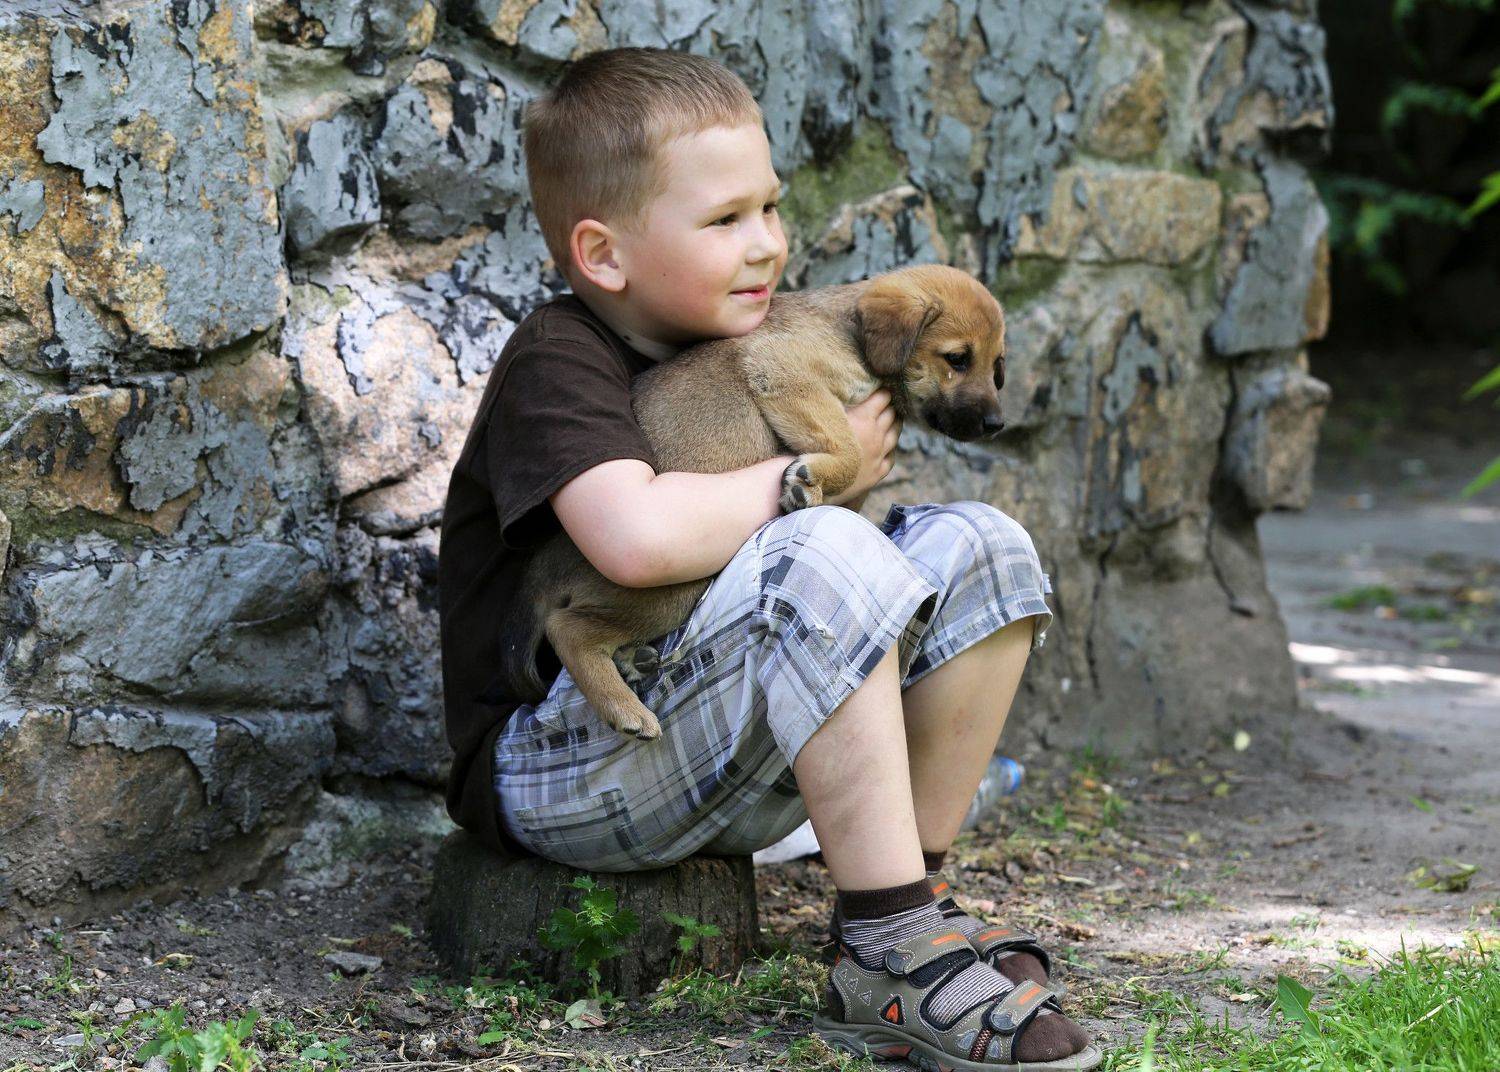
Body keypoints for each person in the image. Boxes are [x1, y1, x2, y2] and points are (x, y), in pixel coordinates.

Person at [437, 45, 1100, 1071]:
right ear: (605, 255)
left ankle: (906, 902)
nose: (767, 245)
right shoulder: (557, 360)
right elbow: (634, 539)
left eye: (772, 208)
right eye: (725, 221)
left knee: (984, 544)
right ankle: (891, 951)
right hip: (560, 766)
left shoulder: (776, 337)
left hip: (714, 744)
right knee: (822, 544)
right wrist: (812, 478)